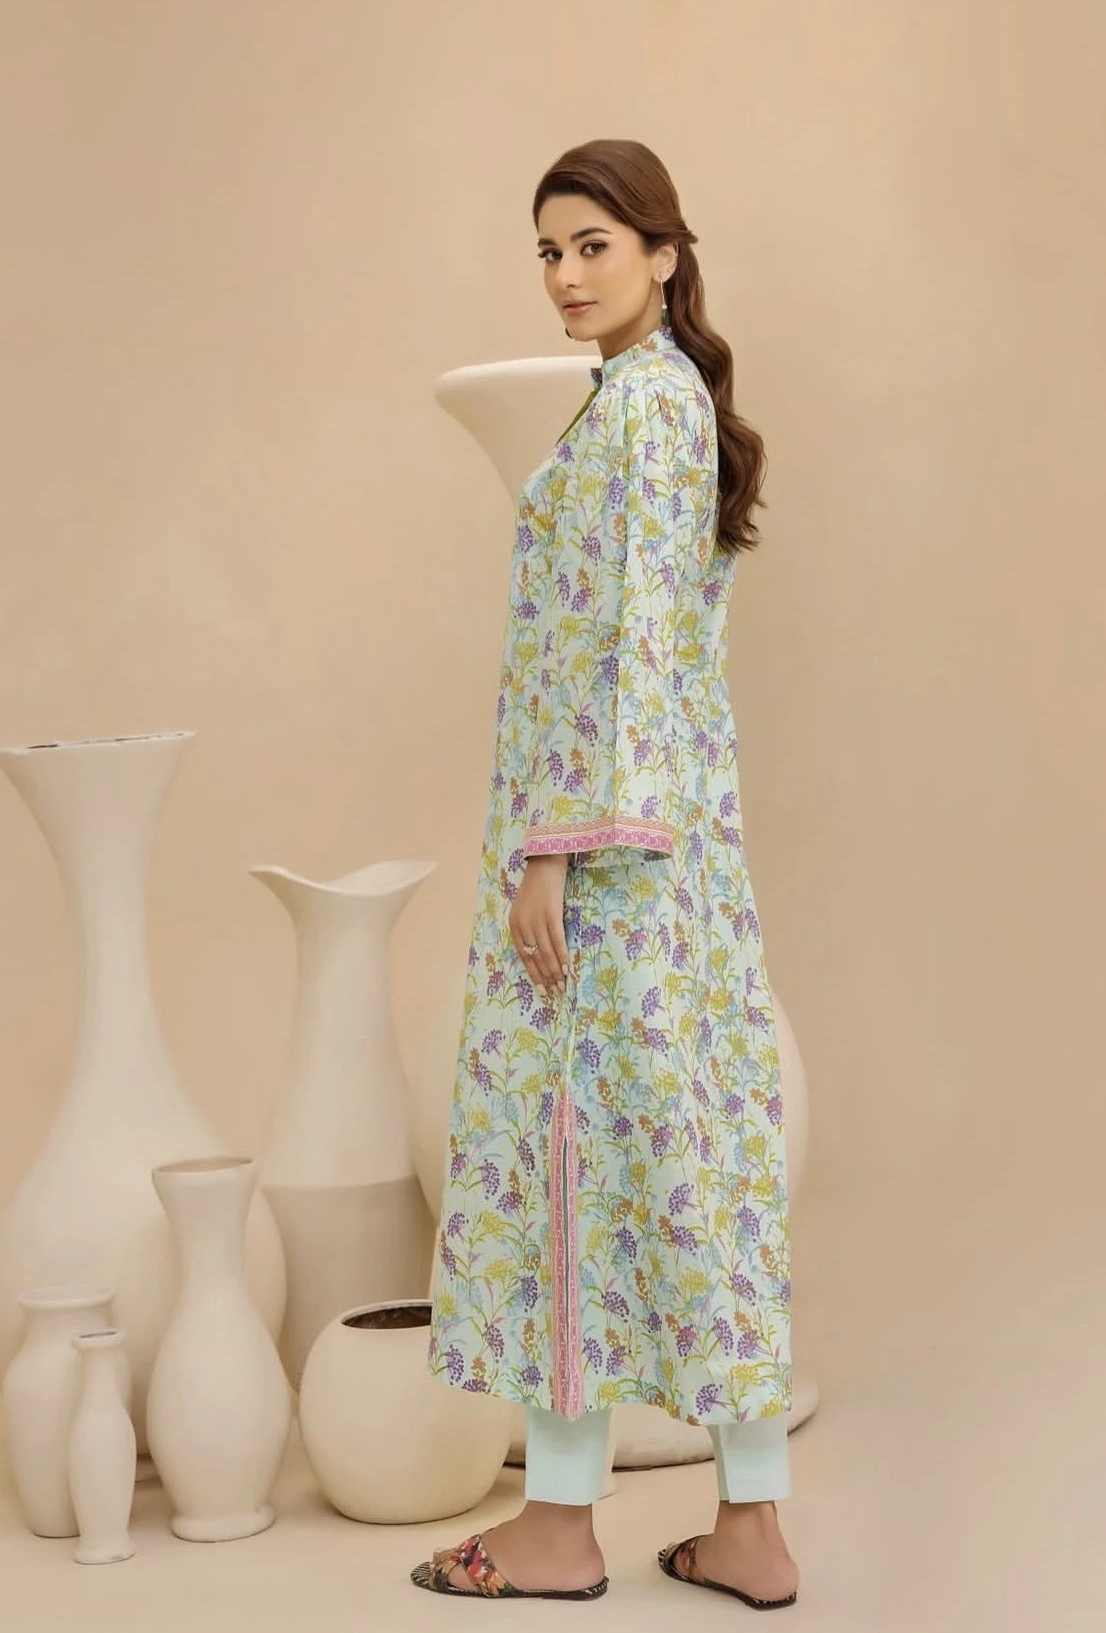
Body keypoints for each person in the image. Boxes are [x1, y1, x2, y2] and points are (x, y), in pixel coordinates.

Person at [411, 138, 797, 1610]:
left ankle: (561, 1527)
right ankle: (749, 1524)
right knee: (689, 1170)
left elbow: (623, 648)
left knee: (570, 1164)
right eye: (549, 252)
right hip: (673, 857)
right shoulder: (666, 400)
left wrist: (555, 853)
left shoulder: (636, 409)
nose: (567, 277)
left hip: (607, 866)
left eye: (593, 246)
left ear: (662, 254)